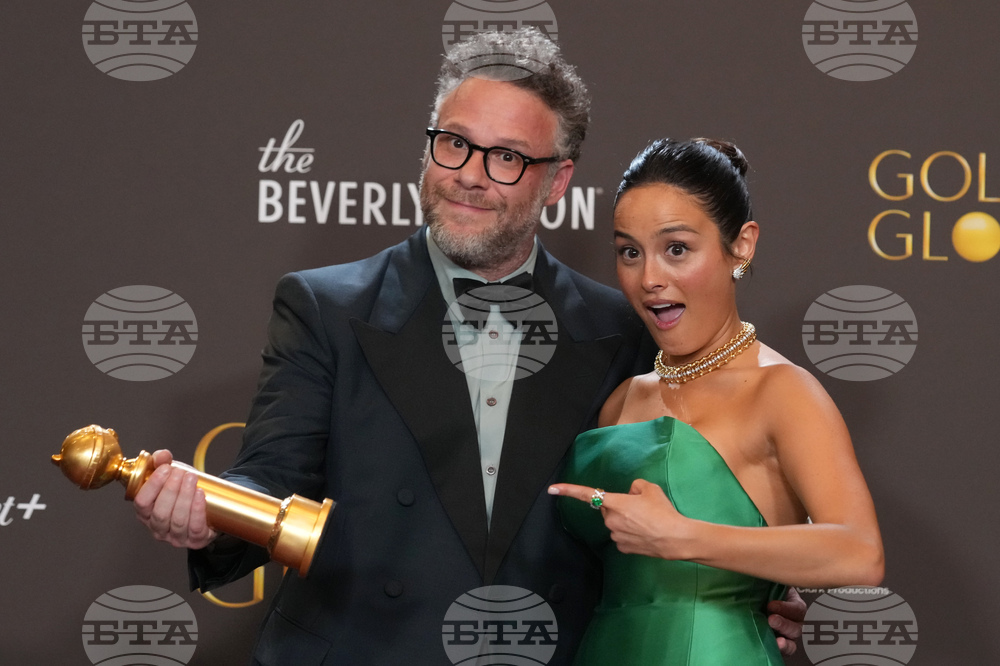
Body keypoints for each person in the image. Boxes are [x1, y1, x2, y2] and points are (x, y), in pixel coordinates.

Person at [131, 31, 805, 664]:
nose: (469, 175)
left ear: (558, 181)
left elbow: (675, 502)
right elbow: (272, 478)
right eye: (453, 143)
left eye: (507, 157)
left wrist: (744, 598)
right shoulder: (325, 307)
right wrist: (207, 516)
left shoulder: (622, 329)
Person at [549, 138, 884, 664]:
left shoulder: (783, 391)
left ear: (742, 246)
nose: (650, 279)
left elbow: (860, 554)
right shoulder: (621, 401)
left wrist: (686, 537)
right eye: (629, 252)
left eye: (677, 248)